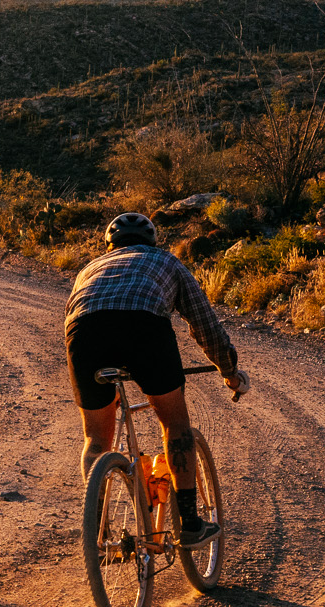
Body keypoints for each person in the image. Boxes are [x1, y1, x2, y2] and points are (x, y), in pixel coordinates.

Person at [65, 212, 250, 546]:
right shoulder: (168, 262)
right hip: (144, 328)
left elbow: (76, 315)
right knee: (175, 424)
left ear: (109, 245)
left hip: (84, 335)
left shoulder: (89, 269)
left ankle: (98, 534)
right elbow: (206, 326)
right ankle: (191, 525)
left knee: (95, 438)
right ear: (153, 241)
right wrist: (229, 373)